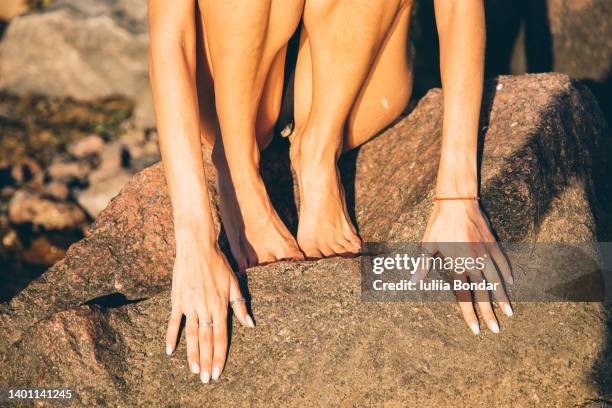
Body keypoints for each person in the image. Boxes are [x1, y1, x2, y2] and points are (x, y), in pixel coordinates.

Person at [148, 0, 513, 384]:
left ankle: (317, 153)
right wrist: (195, 240)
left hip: (356, 85)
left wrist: (458, 198)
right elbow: (172, 36)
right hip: (231, 87)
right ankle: (236, 167)